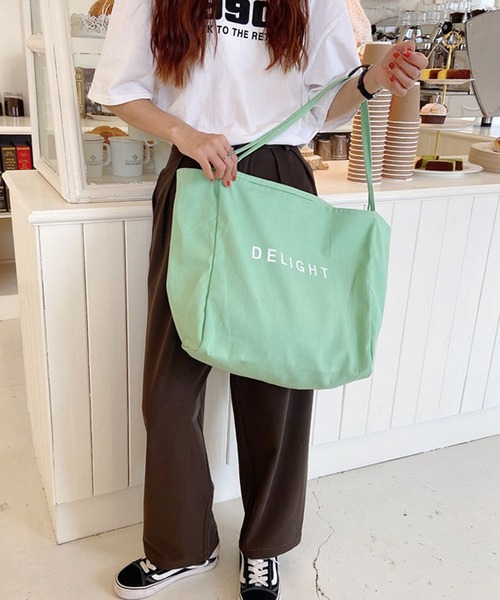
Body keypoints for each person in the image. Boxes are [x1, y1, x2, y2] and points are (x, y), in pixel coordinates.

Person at [89, 1, 427, 598]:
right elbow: (119, 89)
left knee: (278, 379)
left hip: (277, 175)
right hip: (195, 172)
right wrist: (184, 132)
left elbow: (324, 101)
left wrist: (372, 79)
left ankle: (264, 546)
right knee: (169, 387)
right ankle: (181, 545)